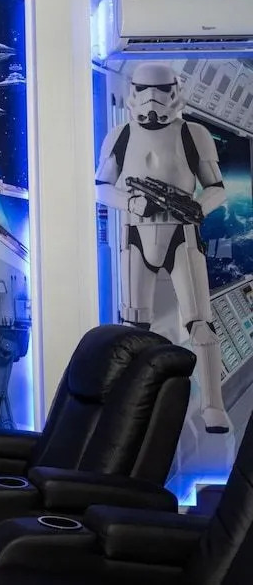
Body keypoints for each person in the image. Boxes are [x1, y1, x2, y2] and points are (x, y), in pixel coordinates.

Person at [96, 61, 229, 433]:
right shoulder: (121, 135)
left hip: (182, 234)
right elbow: (101, 186)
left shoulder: (193, 134)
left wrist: (196, 208)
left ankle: (212, 406)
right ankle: (129, 404)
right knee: (133, 326)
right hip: (137, 233)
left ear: (175, 91)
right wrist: (131, 202)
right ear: (132, 91)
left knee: (200, 323)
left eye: (160, 90)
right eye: (143, 89)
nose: (152, 99)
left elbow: (216, 187)